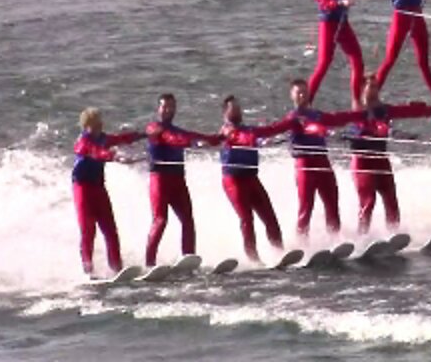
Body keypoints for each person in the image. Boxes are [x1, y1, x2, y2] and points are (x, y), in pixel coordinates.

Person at [333, 77, 431, 234]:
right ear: (362, 89)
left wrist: (430, 111)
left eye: (375, 87)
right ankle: (361, 237)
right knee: (368, 202)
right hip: (362, 162)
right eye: (370, 87)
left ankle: (393, 235)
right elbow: (348, 128)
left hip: (381, 161)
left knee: (391, 201)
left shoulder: (385, 110)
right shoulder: (357, 112)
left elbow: (403, 113)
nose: (374, 90)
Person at [264, 79, 362, 241]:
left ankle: (335, 239)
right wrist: (258, 137)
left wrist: (360, 115)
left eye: (305, 91)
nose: (302, 95)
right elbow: (275, 129)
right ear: (292, 96)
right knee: (306, 207)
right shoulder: (292, 118)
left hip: (323, 162)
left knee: (332, 203)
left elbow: (338, 118)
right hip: (305, 165)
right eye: (298, 92)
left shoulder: (318, 115)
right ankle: (302, 243)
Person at [144, 94, 222, 267]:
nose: (168, 110)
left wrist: (214, 139)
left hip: (178, 180)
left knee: (188, 219)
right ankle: (149, 263)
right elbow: (173, 138)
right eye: (164, 107)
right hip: (160, 180)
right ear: (158, 109)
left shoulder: (178, 131)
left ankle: (188, 258)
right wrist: (193, 143)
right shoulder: (153, 128)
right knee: (160, 220)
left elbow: (190, 135)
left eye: (171, 107)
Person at [71, 107, 144, 276]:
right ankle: (88, 270)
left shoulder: (102, 138)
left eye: (100, 123)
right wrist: (117, 157)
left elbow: (121, 139)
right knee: (88, 230)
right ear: (86, 126)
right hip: (82, 189)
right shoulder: (83, 143)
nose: (99, 126)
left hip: (98, 188)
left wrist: (142, 135)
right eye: (95, 124)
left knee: (110, 229)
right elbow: (98, 153)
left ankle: (117, 267)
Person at [308, 0, 388, 109]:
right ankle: (307, 102)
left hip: (343, 25)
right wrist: (340, 2)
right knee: (324, 64)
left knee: (357, 60)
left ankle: (356, 101)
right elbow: (325, 2)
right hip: (328, 25)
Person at [217, 95, 288, 262]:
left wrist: (289, 123)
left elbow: (270, 130)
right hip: (233, 181)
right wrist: (256, 139)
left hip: (251, 179)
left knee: (270, 218)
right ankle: (253, 258)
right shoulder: (226, 131)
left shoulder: (249, 130)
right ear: (225, 113)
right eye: (232, 108)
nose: (236, 111)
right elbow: (240, 137)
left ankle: (280, 253)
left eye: (238, 108)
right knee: (247, 219)